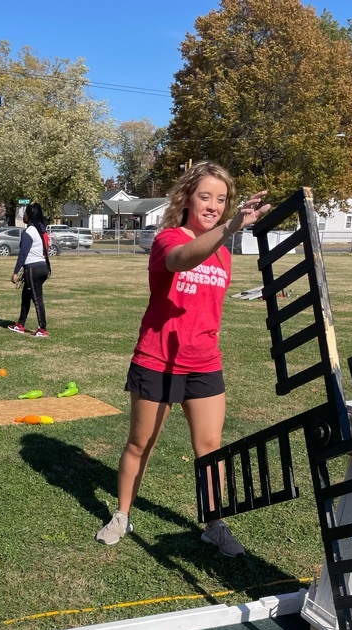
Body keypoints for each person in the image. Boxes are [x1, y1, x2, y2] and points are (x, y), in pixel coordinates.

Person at [95, 161, 270, 555]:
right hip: (156, 359)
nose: (213, 205)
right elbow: (181, 260)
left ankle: (214, 524)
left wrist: (228, 232)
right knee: (141, 443)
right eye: (205, 196)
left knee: (210, 447)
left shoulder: (224, 254)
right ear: (187, 197)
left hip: (204, 362)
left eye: (221, 200)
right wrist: (230, 228)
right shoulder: (168, 238)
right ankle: (122, 515)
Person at [7, 202, 50, 338]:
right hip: (42, 267)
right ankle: (20, 324)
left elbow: (23, 254)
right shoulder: (41, 230)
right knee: (26, 296)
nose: (23, 215)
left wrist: (15, 272)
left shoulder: (29, 232)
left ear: (29, 216)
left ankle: (42, 329)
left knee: (37, 299)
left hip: (33, 268)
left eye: (25, 213)